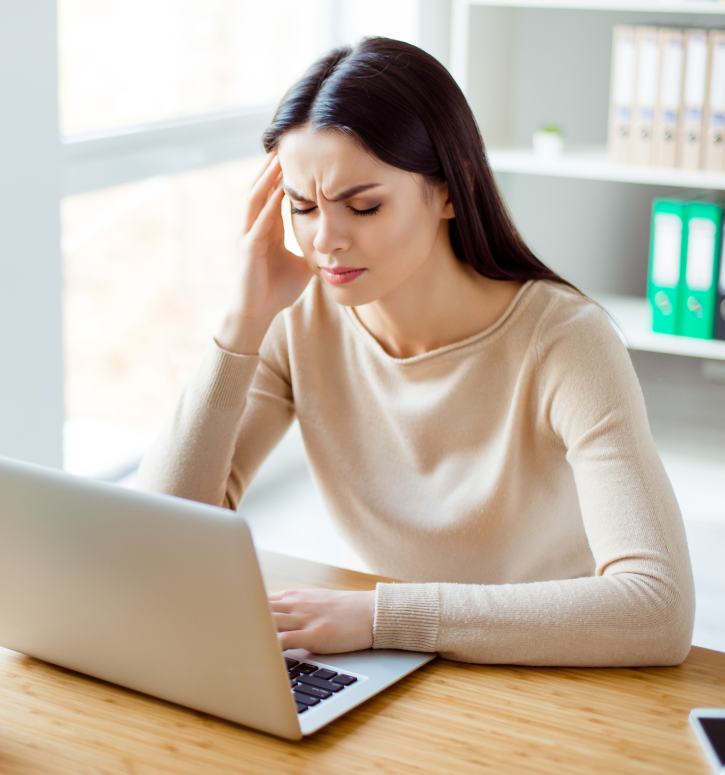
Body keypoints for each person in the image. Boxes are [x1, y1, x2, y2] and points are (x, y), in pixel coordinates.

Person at [136, 37, 694, 666]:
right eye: (302, 206)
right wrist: (240, 326)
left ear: (450, 192)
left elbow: (658, 608)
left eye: (363, 205)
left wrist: (382, 618)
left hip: (552, 670)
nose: (326, 239)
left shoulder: (566, 341)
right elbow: (153, 545)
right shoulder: (295, 322)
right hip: (403, 668)